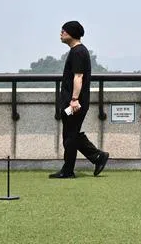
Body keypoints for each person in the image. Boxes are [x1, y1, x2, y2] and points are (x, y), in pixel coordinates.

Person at [50, 20, 110, 178]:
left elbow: (78, 76)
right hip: (73, 103)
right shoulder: (78, 51)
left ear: (71, 33)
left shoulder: (78, 52)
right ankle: (96, 157)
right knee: (71, 134)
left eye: (64, 31)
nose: (61, 33)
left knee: (70, 135)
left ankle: (71, 169)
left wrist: (74, 99)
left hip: (75, 103)